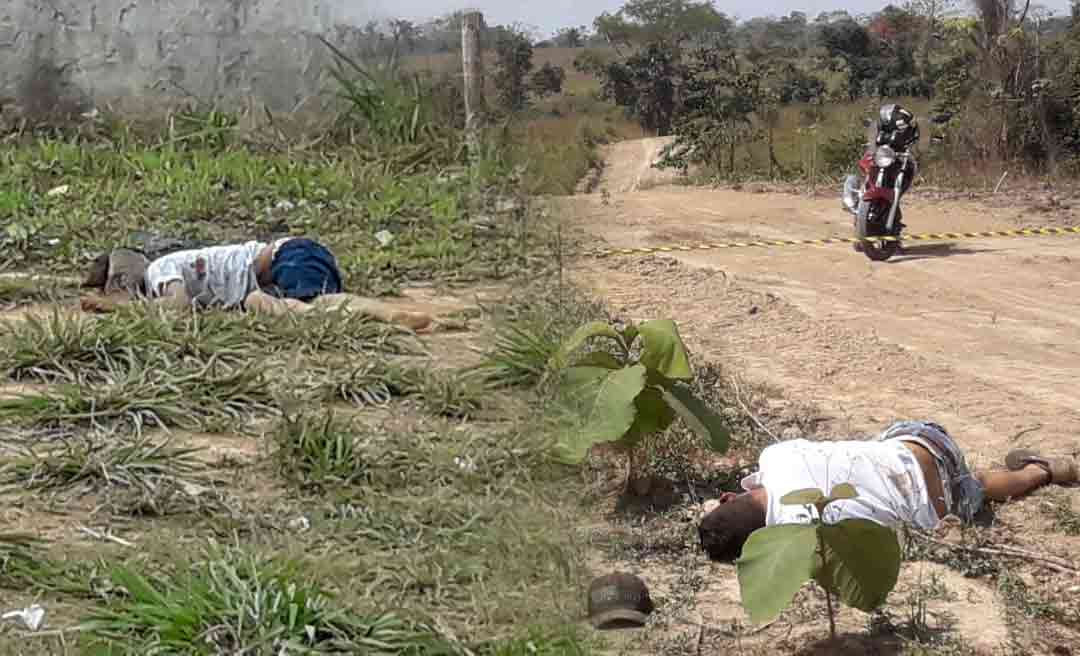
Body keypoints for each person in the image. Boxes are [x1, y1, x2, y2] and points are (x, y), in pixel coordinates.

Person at [698, 420, 1078, 562]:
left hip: (939, 504)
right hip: (925, 444)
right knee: (873, 447)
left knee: (974, 485)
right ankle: (1040, 466)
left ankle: (1039, 472)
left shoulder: (803, 541)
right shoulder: (774, 455)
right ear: (731, 497)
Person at [79, 238, 432, 331]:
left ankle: (388, 316)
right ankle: (388, 315)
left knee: (314, 307)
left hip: (286, 257)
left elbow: (177, 309)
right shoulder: (164, 271)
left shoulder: (159, 270)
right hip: (291, 262)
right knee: (259, 302)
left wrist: (119, 310)